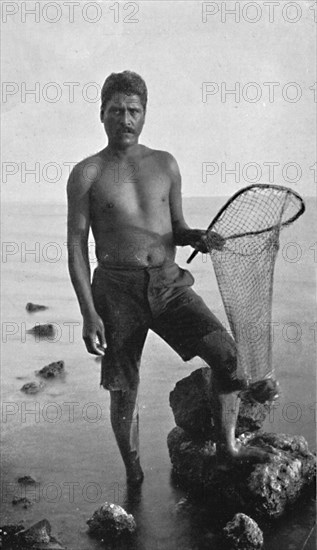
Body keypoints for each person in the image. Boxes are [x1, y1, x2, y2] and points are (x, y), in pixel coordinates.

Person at [67, 70, 271, 485]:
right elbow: (75, 246)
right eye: (116, 110)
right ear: (101, 114)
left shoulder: (165, 164)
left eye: (134, 111)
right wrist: (89, 314)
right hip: (116, 289)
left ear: (145, 115)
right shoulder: (87, 173)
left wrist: (196, 236)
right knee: (124, 388)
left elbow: (177, 227)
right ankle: (134, 471)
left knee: (228, 357)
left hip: (168, 283)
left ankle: (228, 447)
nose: (125, 119)